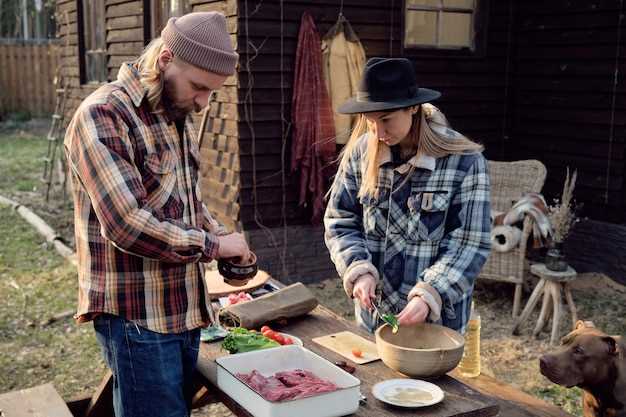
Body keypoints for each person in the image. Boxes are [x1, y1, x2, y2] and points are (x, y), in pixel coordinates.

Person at [64, 12, 249, 417]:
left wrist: (229, 249)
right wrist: (214, 245)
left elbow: (186, 206)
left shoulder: (174, 113)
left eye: (211, 93)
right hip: (137, 318)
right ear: (165, 59)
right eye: (199, 87)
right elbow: (127, 225)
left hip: (182, 310)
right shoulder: (104, 114)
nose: (203, 103)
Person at [324, 57, 491, 335]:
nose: (377, 132)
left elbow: (470, 243)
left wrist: (430, 293)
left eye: (386, 119)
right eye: (370, 121)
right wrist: (359, 269)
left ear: (413, 107)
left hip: (438, 326)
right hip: (373, 321)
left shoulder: (465, 161)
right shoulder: (361, 152)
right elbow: (340, 220)